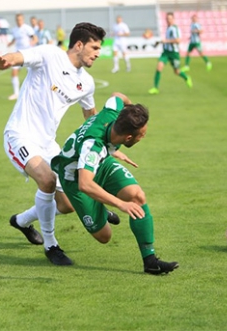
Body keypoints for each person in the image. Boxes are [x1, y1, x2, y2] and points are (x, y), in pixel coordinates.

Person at [0, 22, 117, 266]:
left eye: (100, 49)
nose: (98, 53)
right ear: (78, 45)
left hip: (48, 143)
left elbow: (91, 116)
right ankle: (51, 245)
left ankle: (21, 221)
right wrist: (4, 61)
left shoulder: (86, 82)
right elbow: (19, 56)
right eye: (94, 47)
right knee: (47, 180)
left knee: (67, 204)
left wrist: (103, 145)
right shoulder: (49, 55)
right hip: (20, 135)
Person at [51, 92, 179, 275]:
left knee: (137, 196)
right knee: (104, 236)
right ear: (128, 138)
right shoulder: (93, 146)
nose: (143, 138)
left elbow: (118, 95)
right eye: (141, 135)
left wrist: (132, 112)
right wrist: (120, 204)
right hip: (76, 178)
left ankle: (150, 261)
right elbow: (85, 184)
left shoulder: (113, 111)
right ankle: (102, 207)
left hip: (101, 164)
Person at [148, 12, 192, 95]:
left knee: (177, 71)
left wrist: (166, 41)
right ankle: (155, 88)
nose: (168, 20)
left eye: (170, 19)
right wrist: (161, 42)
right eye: (167, 19)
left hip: (174, 53)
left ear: (173, 19)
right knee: (159, 67)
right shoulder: (168, 28)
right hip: (166, 52)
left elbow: (178, 40)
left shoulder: (175, 28)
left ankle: (186, 77)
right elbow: (167, 40)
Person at [6, 13, 38, 101]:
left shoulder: (27, 28)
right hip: (17, 54)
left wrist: (33, 42)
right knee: (14, 72)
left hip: (27, 53)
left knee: (32, 73)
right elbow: (14, 39)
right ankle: (16, 93)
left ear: (23, 20)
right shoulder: (15, 30)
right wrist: (10, 43)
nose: (19, 21)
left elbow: (35, 38)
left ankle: (34, 92)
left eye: (20, 19)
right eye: (17, 20)